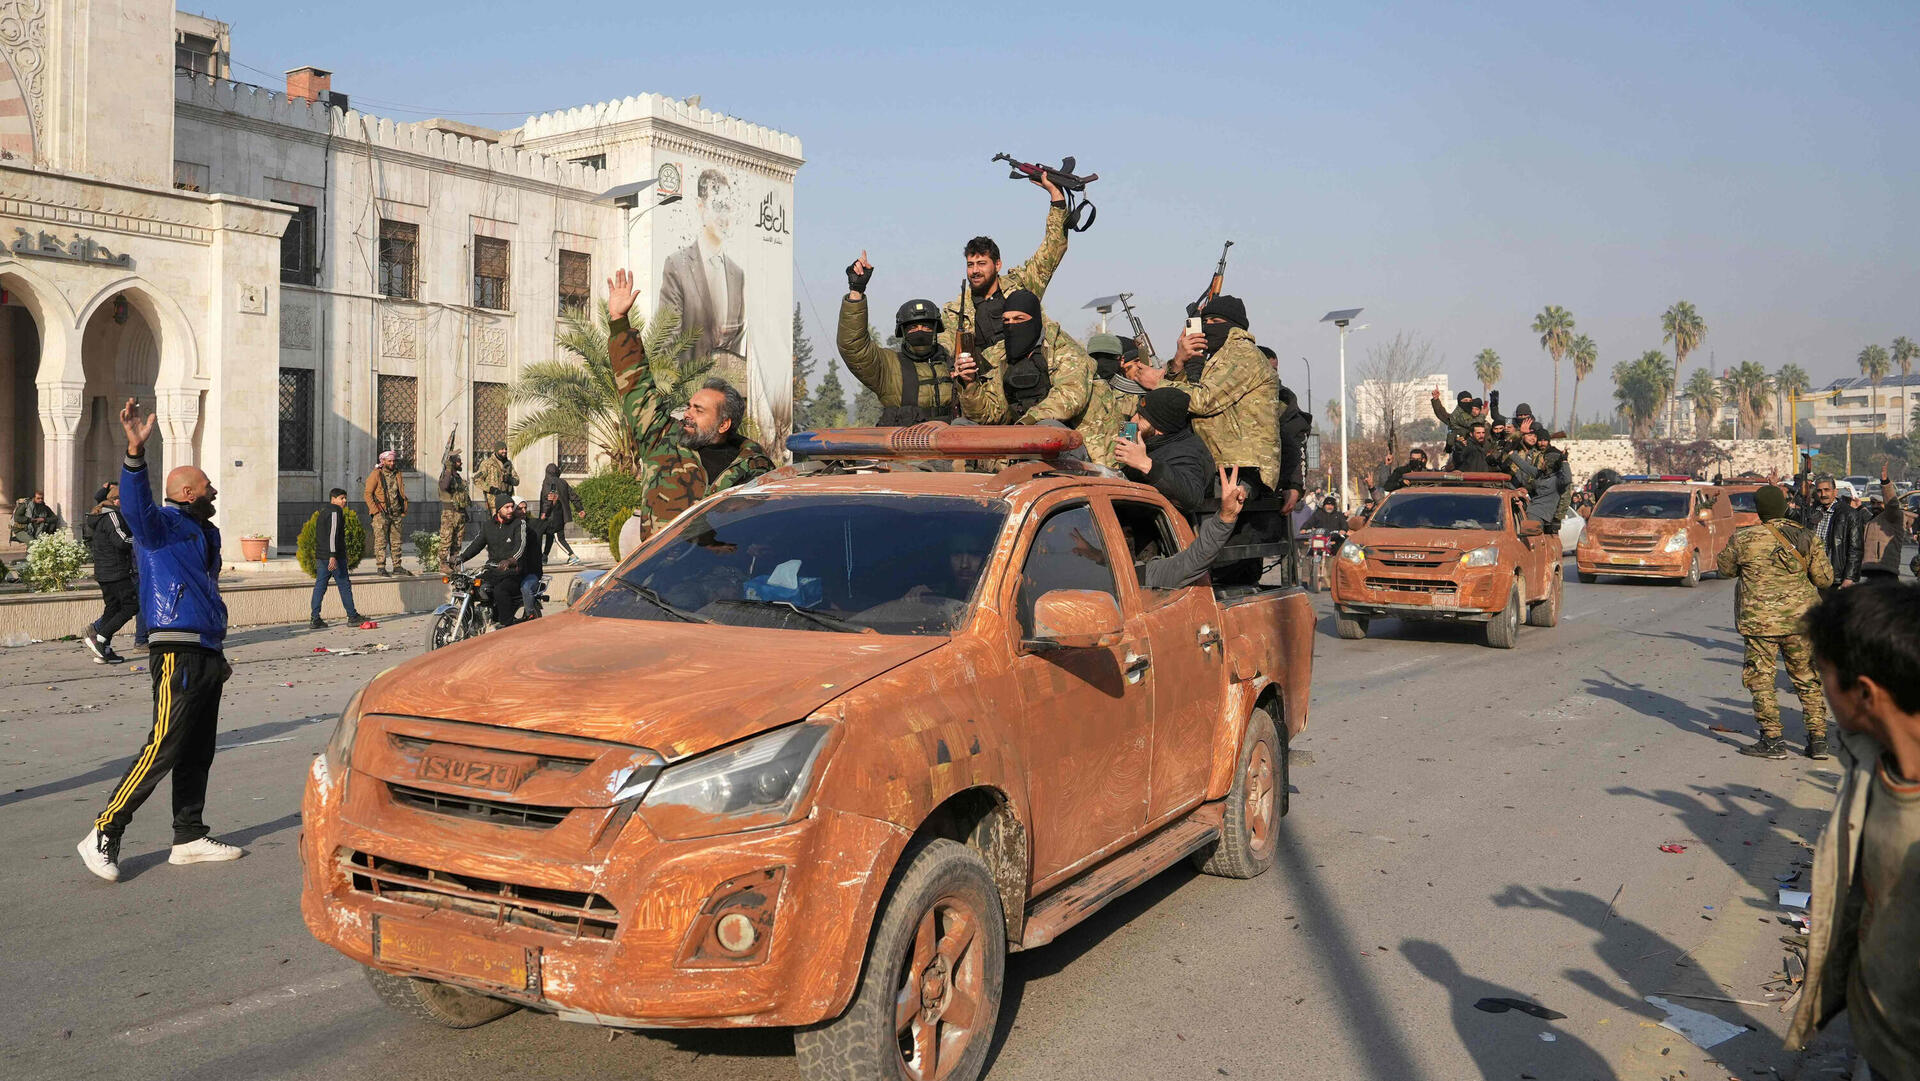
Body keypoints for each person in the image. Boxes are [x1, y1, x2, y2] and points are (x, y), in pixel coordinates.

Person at [77, 398, 245, 883]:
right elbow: (137, 507)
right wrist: (134, 455)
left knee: (197, 749)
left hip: (206, 649)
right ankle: (104, 832)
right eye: (208, 487)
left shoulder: (199, 532)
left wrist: (217, 652)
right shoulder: (163, 526)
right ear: (189, 492)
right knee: (164, 743)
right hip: (176, 649)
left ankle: (189, 837)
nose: (214, 492)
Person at [1787, 581, 1920, 1079]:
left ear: (1864, 692)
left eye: (1824, 676)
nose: (1819, 689)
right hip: (1873, 1043)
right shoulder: (1872, 760)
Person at [606, 268, 774, 543]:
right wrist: (619, 321)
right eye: (689, 406)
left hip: (723, 578)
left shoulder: (754, 464)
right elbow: (636, 385)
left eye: (699, 410)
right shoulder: (660, 438)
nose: (688, 414)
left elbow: (769, 524)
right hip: (662, 576)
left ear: (724, 423)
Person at [1125, 295, 1281, 503]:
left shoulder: (1242, 353)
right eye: (1204, 322)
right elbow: (1178, 401)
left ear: (1234, 326)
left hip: (1241, 468)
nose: (1208, 327)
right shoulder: (1216, 358)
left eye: (1215, 322)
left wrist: (1158, 382)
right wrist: (1179, 361)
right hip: (1216, 465)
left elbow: (1203, 400)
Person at [1717, 484, 1834, 760]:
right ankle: (1818, 740)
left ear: (1759, 511)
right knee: (1807, 679)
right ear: (1783, 507)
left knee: (1761, 681)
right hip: (1802, 622)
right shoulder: (1806, 537)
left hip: (1760, 624)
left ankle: (1772, 740)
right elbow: (1825, 580)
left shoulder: (1743, 539)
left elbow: (1724, 570)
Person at [939, 173, 1071, 360]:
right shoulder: (957, 311)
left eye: (982, 263)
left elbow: (1053, 247)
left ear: (998, 264)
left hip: (1031, 372)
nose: (975, 270)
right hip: (989, 382)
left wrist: (1055, 196)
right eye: (970, 265)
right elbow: (946, 343)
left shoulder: (1022, 285)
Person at [838, 254, 958, 426]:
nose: (920, 331)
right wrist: (856, 291)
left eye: (926, 326)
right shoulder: (888, 367)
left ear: (935, 329)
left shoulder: (952, 362)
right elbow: (853, 346)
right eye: (912, 327)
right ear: (902, 331)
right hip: (905, 447)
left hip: (950, 445)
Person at [953, 288, 1093, 427]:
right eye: (1006, 321)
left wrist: (1029, 421)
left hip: (1069, 437)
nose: (1011, 325)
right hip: (1017, 434)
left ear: (1036, 320)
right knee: (961, 426)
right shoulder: (999, 356)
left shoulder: (1064, 349)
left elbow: (1070, 397)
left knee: (1047, 427)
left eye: (1019, 319)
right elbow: (989, 415)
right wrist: (970, 383)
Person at [657, 168, 746, 372]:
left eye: (727, 207)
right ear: (701, 206)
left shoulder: (737, 274)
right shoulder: (678, 266)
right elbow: (667, 340)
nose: (724, 216)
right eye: (717, 206)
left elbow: (737, 341)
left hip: (725, 392)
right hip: (687, 391)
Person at [1138, 467, 1253, 590]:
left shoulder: (1139, 576)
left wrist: (1226, 516)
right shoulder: (1130, 579)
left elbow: (1195, 559)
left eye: (1128, 534)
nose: (1127, 540)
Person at [1113, 387, 1216, 514]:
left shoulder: (1186, 452)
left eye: (1140, 417)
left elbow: (1192, 497)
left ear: (1159, 428)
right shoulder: (1152, 440)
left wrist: (1146, 464)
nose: (1133, 420)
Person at [81, 482, 142, 664]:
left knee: (113, 607)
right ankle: (101, 638)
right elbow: (122, 541)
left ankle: (103, 649)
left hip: (105, 571)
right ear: (116, 500)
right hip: (115, 571)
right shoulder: (113, 516)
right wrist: (142, 539)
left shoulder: (101, 516)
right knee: (131, 606)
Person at [457, 497, 537, 627]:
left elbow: (520, 547)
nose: (511, 510)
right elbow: (477, 544)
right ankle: (472, 623)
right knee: (470, 586)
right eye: (507, 507)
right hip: (493, 570)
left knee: (500, 590)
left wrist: (510, 561)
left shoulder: (518, 524)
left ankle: (506, 626)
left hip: (513, 572)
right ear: (498, 509)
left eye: (512, 506)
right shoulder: (488, 526)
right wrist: (461, 557)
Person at [1075, 333, 1146, 468]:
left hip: (1123, 465)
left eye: (1109, 357)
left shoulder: (1131, 395)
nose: (1102, 362)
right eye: (1096, 357)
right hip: (1085, 466)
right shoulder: (1079, 390)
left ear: (1121, 360)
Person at [310, 488, 368, 630]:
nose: (344, 501)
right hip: (333, 557)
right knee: (344, 585)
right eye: (341, 498)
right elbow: (332, 535)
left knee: (320, 586)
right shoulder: (335, 512)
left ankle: (315, 618)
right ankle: (352, 616)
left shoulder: (323, 512)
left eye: (345, 498)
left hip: (322, 556)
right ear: (333, 499)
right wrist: (332, 556)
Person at [1798, 475, 1864, 589]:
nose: (1823, 494)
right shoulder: (1812, 513)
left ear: (1835, 492)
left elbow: (1855, 549)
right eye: (1819, 491)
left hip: (1836, 577)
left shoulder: (1849, 514)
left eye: (1827, 490)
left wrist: (1849, 578)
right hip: (1812, 576)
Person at [1859, 464, 1910, 582]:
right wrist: (1859, 507)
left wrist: (1885, 483)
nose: (1875, 506)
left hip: (1886, 571)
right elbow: (1868, 518)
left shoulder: (1893, 516)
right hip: (1870, 570)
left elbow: (1892, 503)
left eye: (1879, 503)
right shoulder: (1874, 519)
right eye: (1873, 503)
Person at [363, 450, 410, 575]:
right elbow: (368, 494)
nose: (392, 463)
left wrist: (402, 508)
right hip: (381, 513)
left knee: (396, 541)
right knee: (381, 541)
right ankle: (381, 566)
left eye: (394, 460)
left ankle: (397, 566)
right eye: (389, 461)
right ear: (383, 461)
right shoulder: (376, 474)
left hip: (396, 512)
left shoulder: (397, 473)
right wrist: (375, 511)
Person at [538, 463, 583, 566]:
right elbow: (573, 496)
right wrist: (579, 508)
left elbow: (548, 498)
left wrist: (544, 513)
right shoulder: (563, 482)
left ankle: (572, 556)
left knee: (558, 538)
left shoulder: (547, 482)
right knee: (550, 536)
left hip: (551, 515)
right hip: (561, 515)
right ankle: (544, 557)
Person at [438, 445, 471, 573]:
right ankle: (443, 563)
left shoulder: (457, 477)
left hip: (460, 513)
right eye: (458, 461)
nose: (461, 463)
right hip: (449, 513)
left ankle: (454, 562)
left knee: (457, 541)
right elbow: (444, 487)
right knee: (446, 539)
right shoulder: (446, 476)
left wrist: (465, 512)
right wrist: (448, 470)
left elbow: (461, 497)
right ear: (452, 463)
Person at [473, 440, 518, 515]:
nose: (504, 451)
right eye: (502, 449)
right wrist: (491, 489)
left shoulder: (508, 464)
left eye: (506, 449)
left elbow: (517, 480)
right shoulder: (487, 463)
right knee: (495, 523)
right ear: (497, 450)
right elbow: (477, 480)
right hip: (494, 503)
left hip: (507, 502)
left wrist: (509, 480)